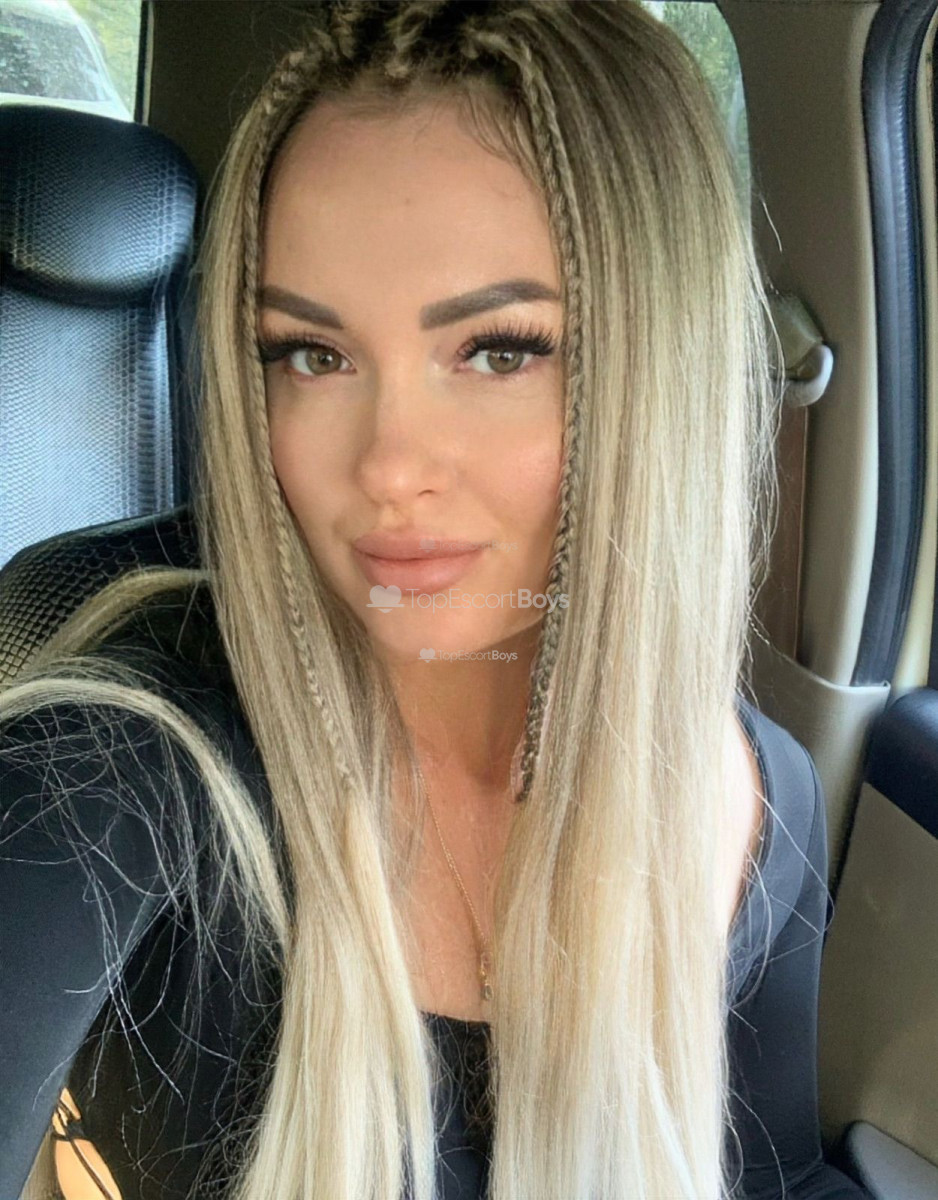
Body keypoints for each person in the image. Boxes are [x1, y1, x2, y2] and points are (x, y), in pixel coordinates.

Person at [0, 2, 873, 1198]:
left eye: (498, 350)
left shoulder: (749, 797)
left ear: (655, 367)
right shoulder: (108, 770)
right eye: (310, 354)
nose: (386, 466)